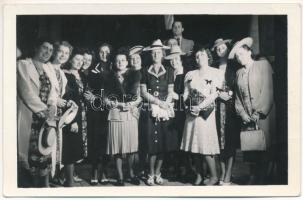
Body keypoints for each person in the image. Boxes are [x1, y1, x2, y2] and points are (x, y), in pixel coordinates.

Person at [229, 37, 276, 185]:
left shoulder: (263, 65)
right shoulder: (238, 73)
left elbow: (268, 91)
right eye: (237, 56)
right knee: (251, 147)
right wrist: (242, 114)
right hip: (247, 117)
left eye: (241, 54)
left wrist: (258, 113)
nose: (239, 58)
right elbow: (237, 97)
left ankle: (264, 177)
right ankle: (253, 175)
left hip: (263, 116)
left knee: (264, 146)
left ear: (249, 52)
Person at [17, 38, 56, 187]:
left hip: (46, 119)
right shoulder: (23, 65)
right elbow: (25, 91)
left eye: (51, 50)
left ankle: (44, 189)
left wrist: (52, 104)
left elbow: (53, 91)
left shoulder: (48, 68)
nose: (48, 52)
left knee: (45, 155)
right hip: (32, 116)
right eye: (45, 47)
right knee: (29, 160)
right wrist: (43, 109)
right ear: (36, 48)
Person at [180, 46, 221, 186]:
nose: (199, 58)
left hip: (206, 114)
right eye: (197, 56)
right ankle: (199, 175)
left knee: (206, 145)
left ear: (208, 56)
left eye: (202, 55)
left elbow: (214, 94)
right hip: (192, 114)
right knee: (194, 146)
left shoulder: (216, 73)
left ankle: (214, 176)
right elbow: (185, 93)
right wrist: (187, 107)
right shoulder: (190, 74)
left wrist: (200, 107)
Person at [140, 39, 178, 186]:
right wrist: (157, 103)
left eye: (159, 52)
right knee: (152, 143)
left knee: (163, 143)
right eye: (153, 52)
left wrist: (165, 104)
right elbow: (143, 92)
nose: (156, 54)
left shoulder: (168, 70)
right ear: (151, 54)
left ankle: (158, 173)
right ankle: (150, 174)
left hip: (164, 110)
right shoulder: (145, 70)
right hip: (151, 110)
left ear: (163, 54)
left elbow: (170, 92)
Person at [104, 48, 142, 186]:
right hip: (115, 114)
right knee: (118, 148)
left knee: (131, 148)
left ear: (127, 62)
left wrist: (132, 104)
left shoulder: (135, 75)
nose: (120, 62)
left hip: (130, 113)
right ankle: (120, 176)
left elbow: (139, 97)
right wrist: (113, 103)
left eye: (123, 60)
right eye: (117, 60)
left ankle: (131, 174)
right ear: (114, 62)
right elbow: (105, 99)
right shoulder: (108, 76)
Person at [211, 38, 242, 185]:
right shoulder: (214, 66)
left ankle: (229, 173)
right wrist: (218, 94)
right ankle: (222, 173)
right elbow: (209, 86)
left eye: (222, 47)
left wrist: (229, 95)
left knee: (230, 141)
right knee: (218, 141)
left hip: (231, 108)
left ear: (227, 49)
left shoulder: (234, 65)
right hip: (216, 108)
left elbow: (239, 86)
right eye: (217, 49)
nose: (220, 50)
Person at [84, 43, 113, 185]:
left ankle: (105, 170)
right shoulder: (92, 69)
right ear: (98, 53)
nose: (104, 54)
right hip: (96, 110)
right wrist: (96, 99)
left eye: (107, 51)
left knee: (107, 140)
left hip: (110, 108)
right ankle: (94, 170)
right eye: (101, 51)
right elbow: (88, 90)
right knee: (96, 139)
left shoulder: (114, 68)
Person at [46, 41, 72, 184]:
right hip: (46, 113)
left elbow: (61, 95)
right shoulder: (46, 68)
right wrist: (55, 101)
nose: (63, 55)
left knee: (55, 145)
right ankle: (45, 179)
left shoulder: (62, 73)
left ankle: (53, 177)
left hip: (57, 115)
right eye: (61, 51)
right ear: (54, 51)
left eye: (67, 53)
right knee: (45, 144)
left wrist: (67, 102)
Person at [61, 48, 86, 187]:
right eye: (77, 59)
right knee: (70, 146)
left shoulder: (80, 75)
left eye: (82, 60)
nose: (79, 62)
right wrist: (73, 121)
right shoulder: (66, 74)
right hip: (71, 116)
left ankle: (67, 177)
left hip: (81, 115)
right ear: (70, 60)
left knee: (76, 146)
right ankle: (69, 181)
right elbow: (69, 98)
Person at [163, 45, 187, 180]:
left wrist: (176, 96)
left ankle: (185, 169)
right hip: (171, 110)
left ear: (181, 59)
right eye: (171, 60)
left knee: (183, 139)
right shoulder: (169, 73)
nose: (174, 62)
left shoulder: (187, 73)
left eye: (176, 59)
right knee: (173, 140)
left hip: (183, 111)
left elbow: (189, 94)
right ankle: (175, 168)